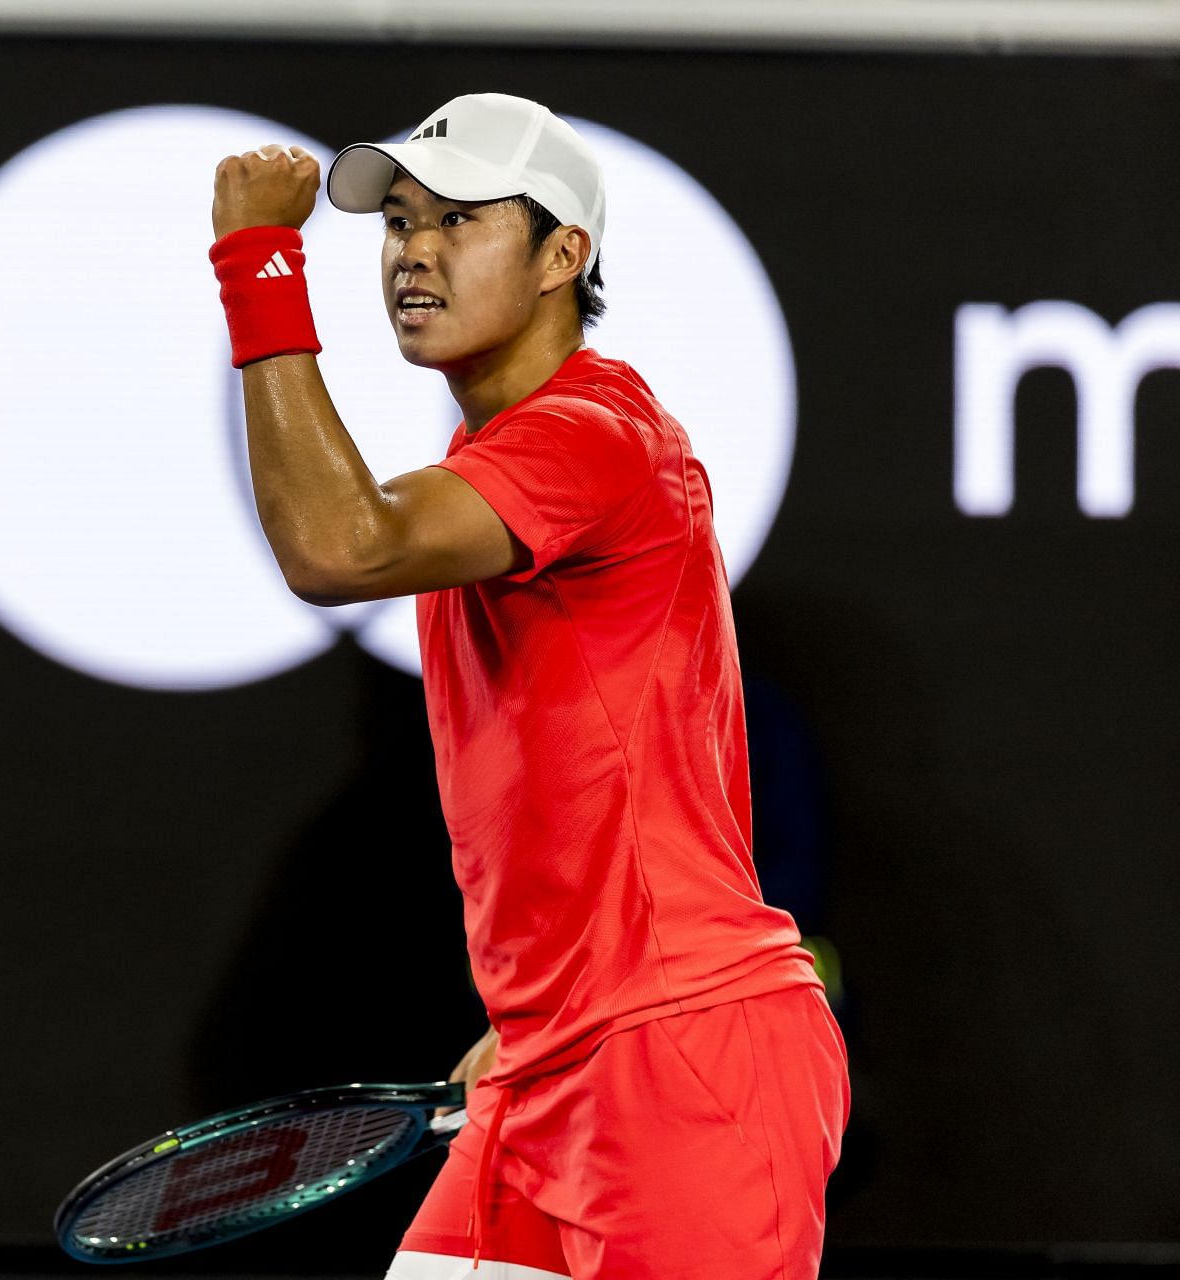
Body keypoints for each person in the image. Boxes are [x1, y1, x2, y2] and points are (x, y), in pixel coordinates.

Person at [205, 93, 850, 1280]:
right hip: (542, 1064)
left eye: (459, 218)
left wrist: (258, 259)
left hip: (683, 1061)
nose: (415, 250)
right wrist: (535, 1011)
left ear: (566, 255)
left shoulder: (599, 433)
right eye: (399, 222)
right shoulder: (486, 471)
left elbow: (338, 547)